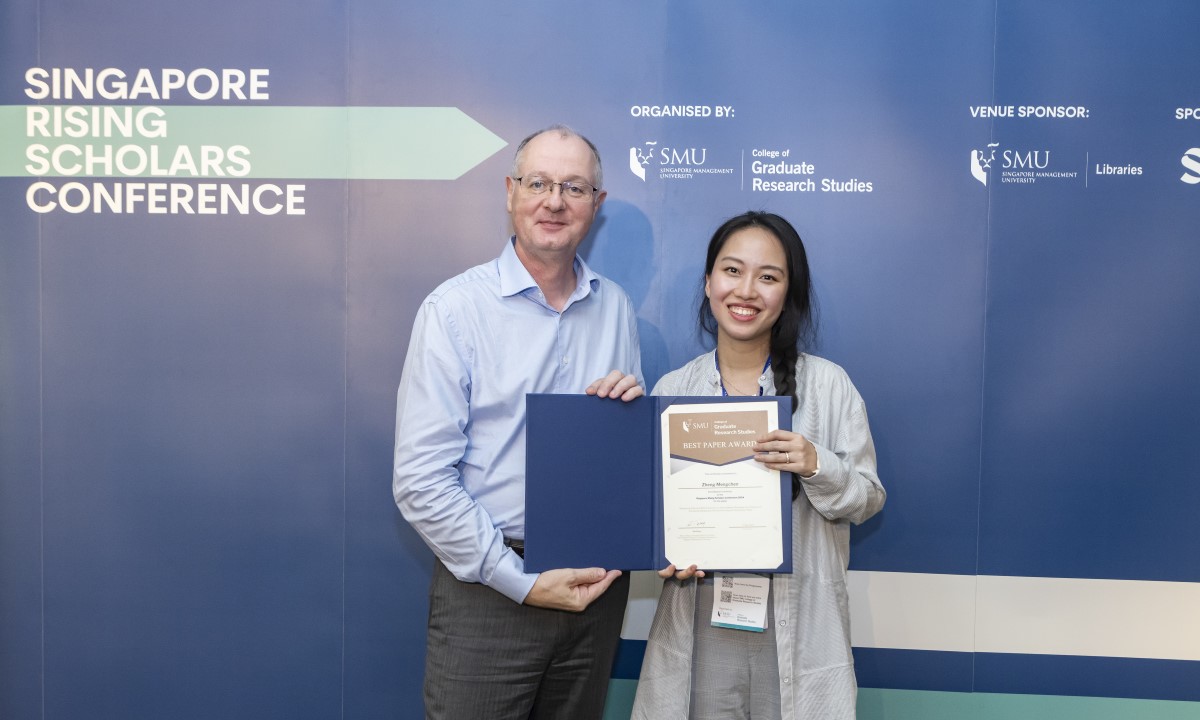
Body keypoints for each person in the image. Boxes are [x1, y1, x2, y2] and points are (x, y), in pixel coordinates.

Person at [393, 125, 644, 720]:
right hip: (490, 592)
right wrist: (521, 582)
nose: (554, 201)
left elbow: (617, 460)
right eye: (539, 183)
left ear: (596, 205)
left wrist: (630, 416)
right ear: (511, 191)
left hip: (595, 592)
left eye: (574, 187)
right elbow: (421, 481)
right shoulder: (453, 311)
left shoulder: (616, 307)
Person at [631, 211, 885, 720]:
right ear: (707, 282)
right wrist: (656, 549)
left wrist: (817, 464)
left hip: (800, 624)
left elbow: (867, 498)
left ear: (788, 294)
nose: (746, 290)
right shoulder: (672, 392)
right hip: (699, 620)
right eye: (731, 271)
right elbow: (646, 517)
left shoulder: (829, 386)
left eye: (768, 277)